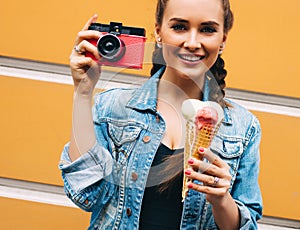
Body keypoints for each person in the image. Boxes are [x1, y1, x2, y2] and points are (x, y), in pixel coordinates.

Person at [59, 0, 263, 229]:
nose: (192, 42)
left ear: (223, 39)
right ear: (158, 31)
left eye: (207, 30)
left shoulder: (243, 128)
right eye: (179, 27)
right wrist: (83, 93)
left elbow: (247, 225)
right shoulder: (113, 107)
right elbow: (86, 194)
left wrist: (221, 199)